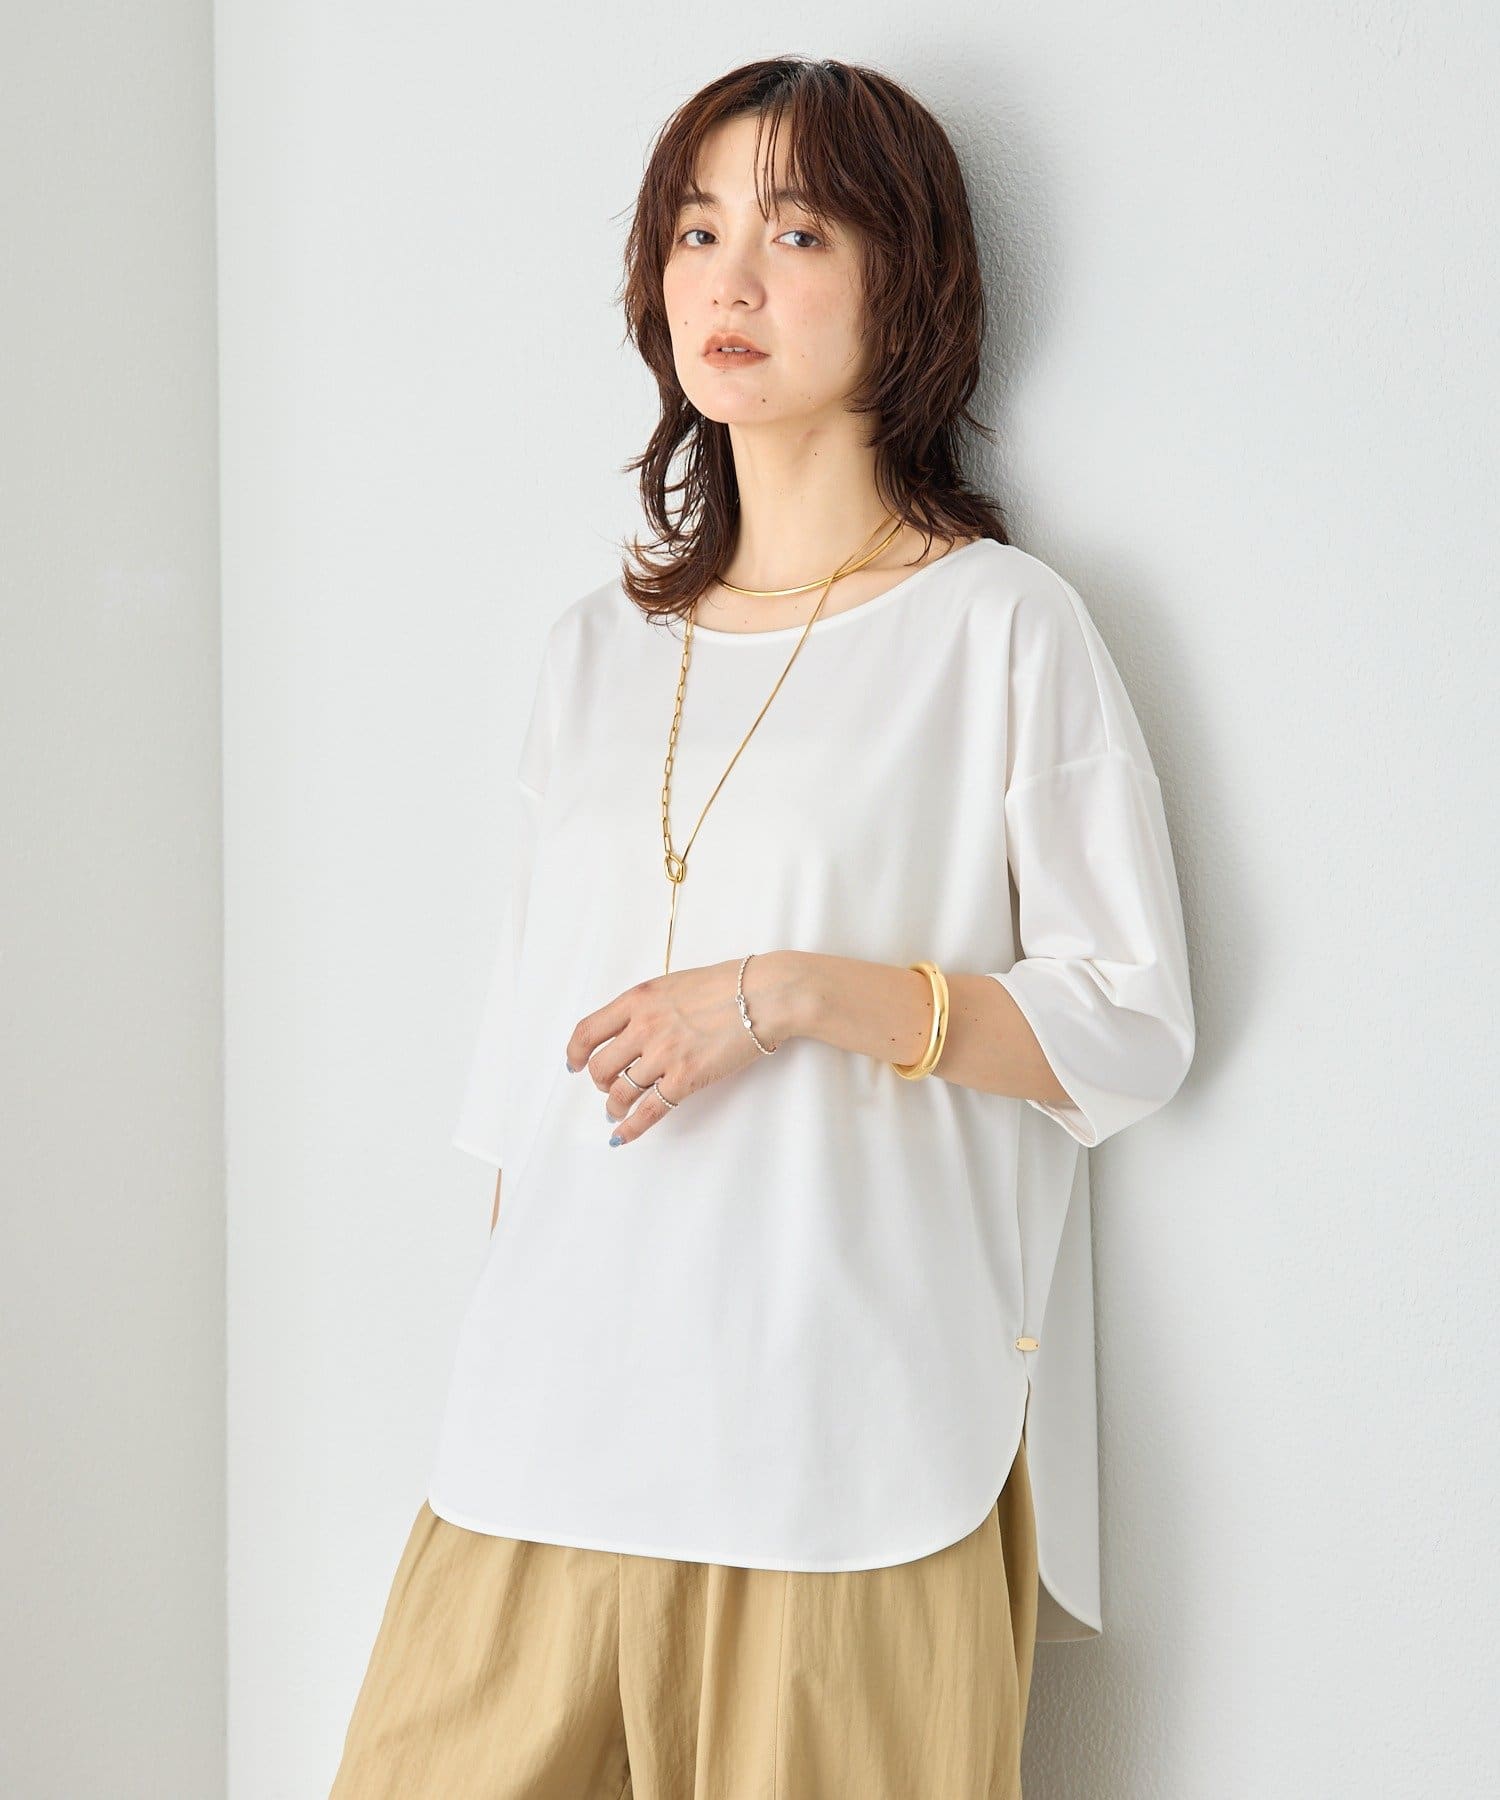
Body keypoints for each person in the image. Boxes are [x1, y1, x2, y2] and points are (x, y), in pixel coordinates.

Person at [330, 54, 1195, 1800]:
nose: (730, 277)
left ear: (906, 288)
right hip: (540, 1455)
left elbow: (1129, 1024)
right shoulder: (592, 650)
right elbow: (526, 1090)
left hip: (843, 1461)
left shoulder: (999, 629)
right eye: (696, 230)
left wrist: (789, 993)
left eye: (797, 233)